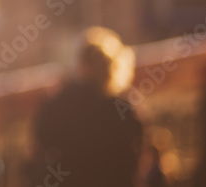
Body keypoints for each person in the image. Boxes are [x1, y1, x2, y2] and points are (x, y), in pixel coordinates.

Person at [30, 26, 144, 187]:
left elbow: (42, 140)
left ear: (81, 64)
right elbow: (131, 160)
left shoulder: (59, 102)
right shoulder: (123, 109)